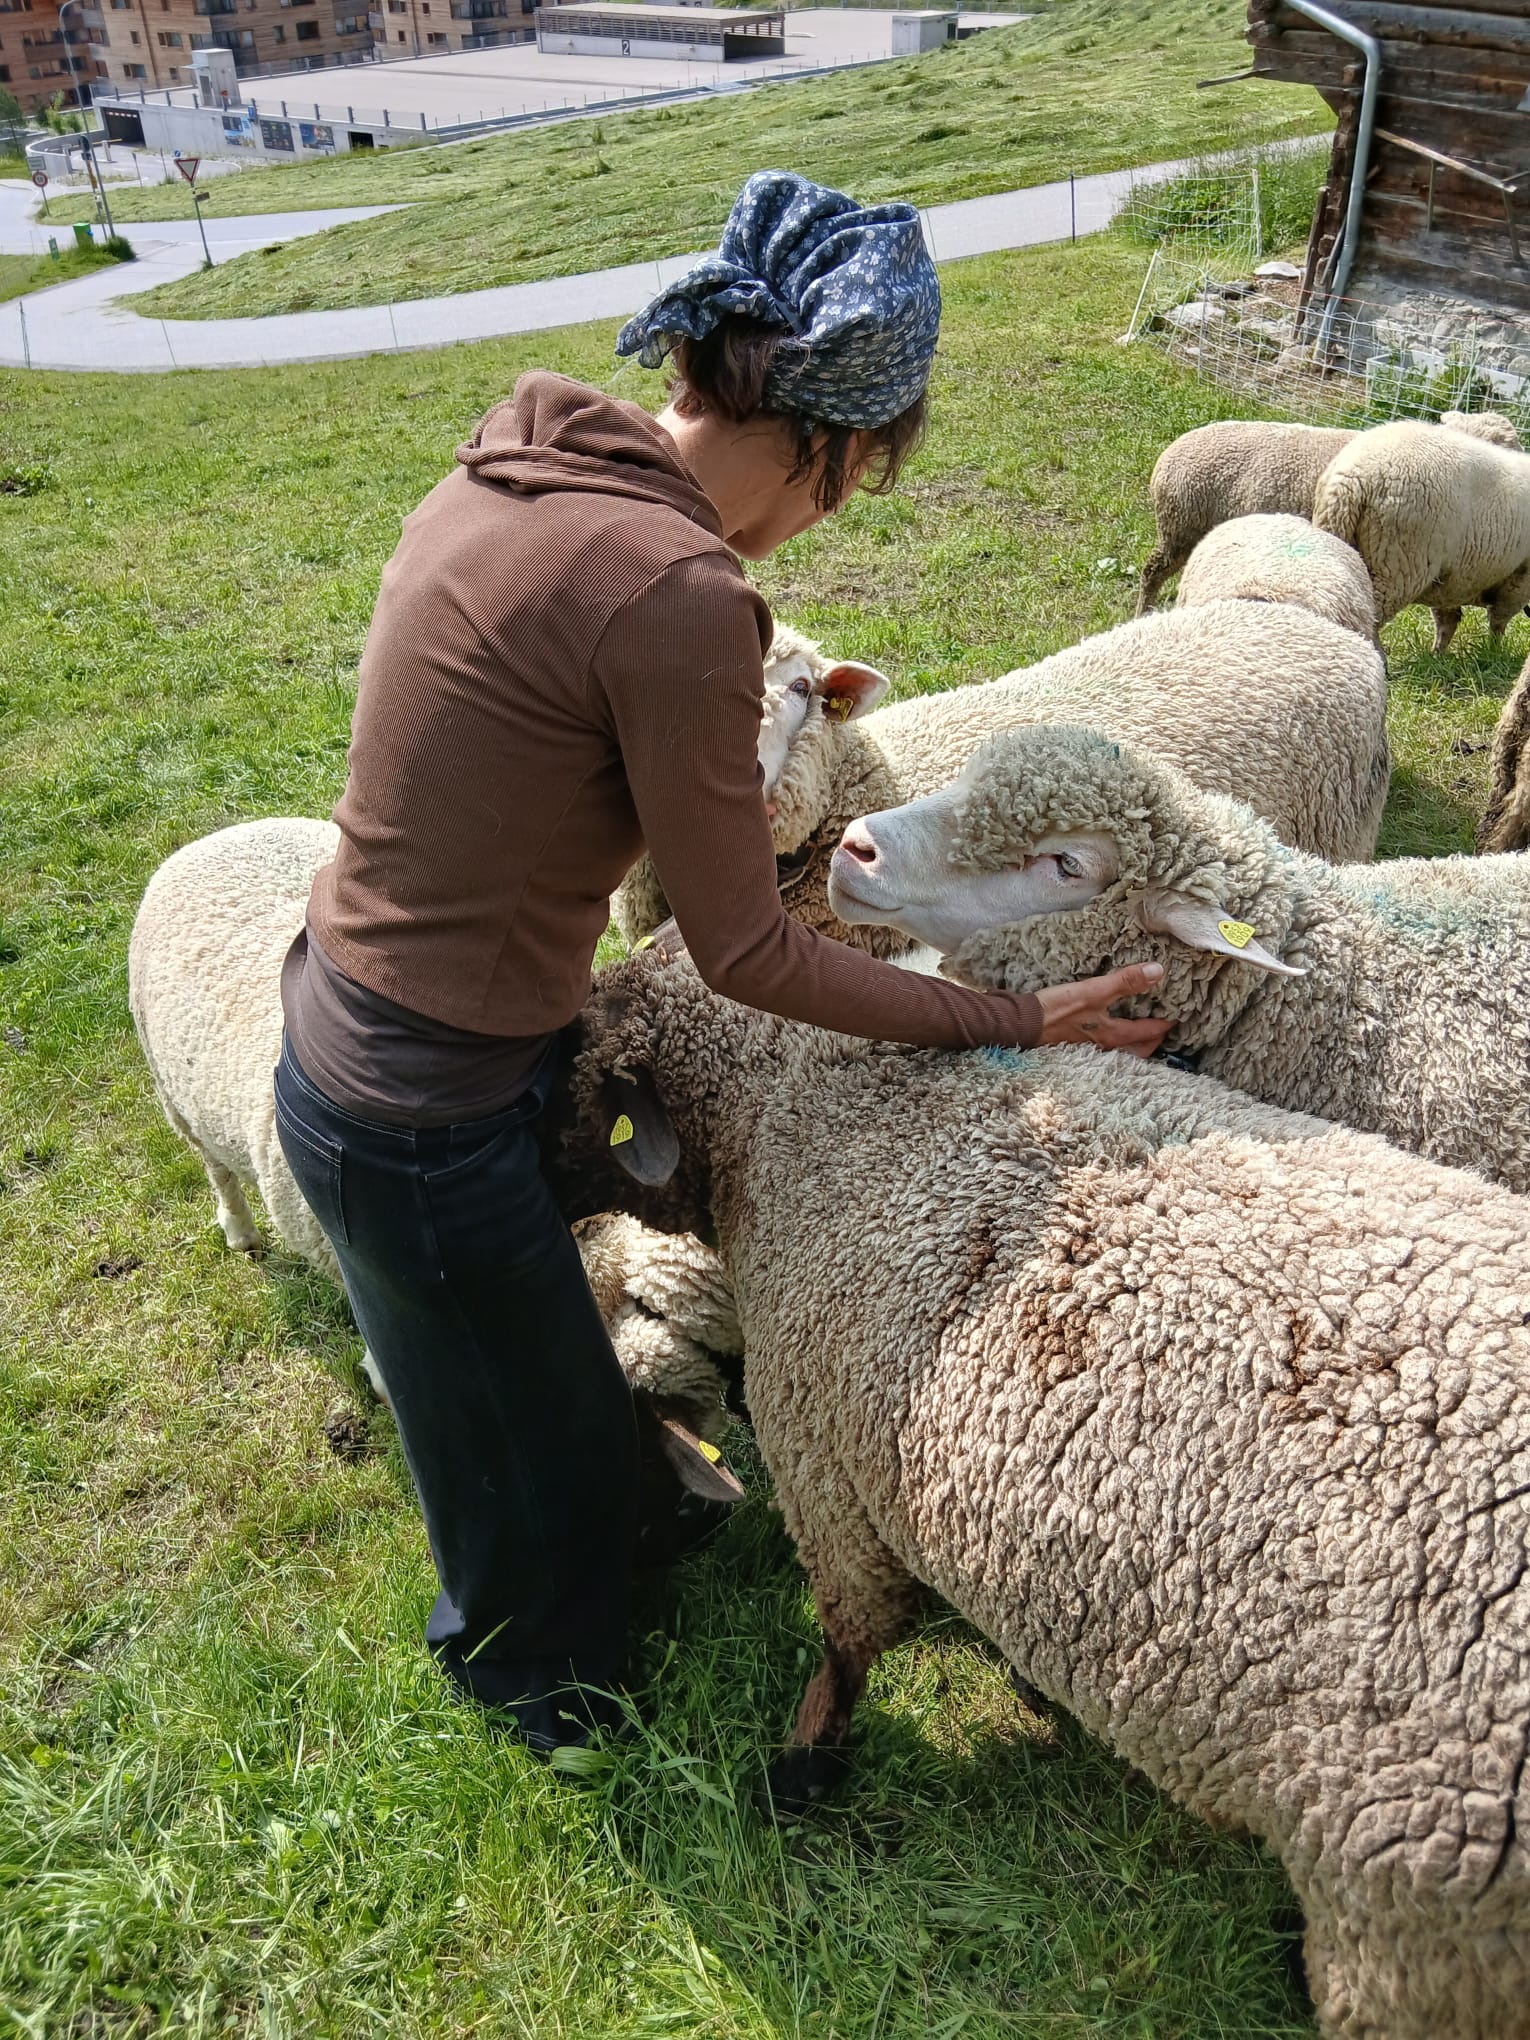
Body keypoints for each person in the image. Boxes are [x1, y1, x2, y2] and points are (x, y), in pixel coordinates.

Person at [274, 169, 1170, 1756]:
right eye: (856, 480)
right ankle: (541, 1686)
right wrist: (1015, 1011)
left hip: (352, 1028)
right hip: (424, 1105)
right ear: (833, 441)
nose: (831, 514)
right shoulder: (677, 591)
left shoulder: (518, 465)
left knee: (510, 1376)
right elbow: (746, 948)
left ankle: (599, 1538)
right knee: (519, 1442)